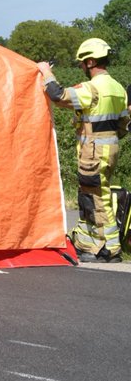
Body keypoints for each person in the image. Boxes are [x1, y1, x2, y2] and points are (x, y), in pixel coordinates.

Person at [38, 38, 130, 263]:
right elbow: (123, 125)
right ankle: (92, 243)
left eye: (82, 63)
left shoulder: (93, 88)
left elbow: (58, 95)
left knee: (98, 199)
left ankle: (110, 249)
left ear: (90, 62)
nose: (80, 67)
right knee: (95, 196)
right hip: (110, 150)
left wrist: (45, 72)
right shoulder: (118, 88)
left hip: (94, 152)